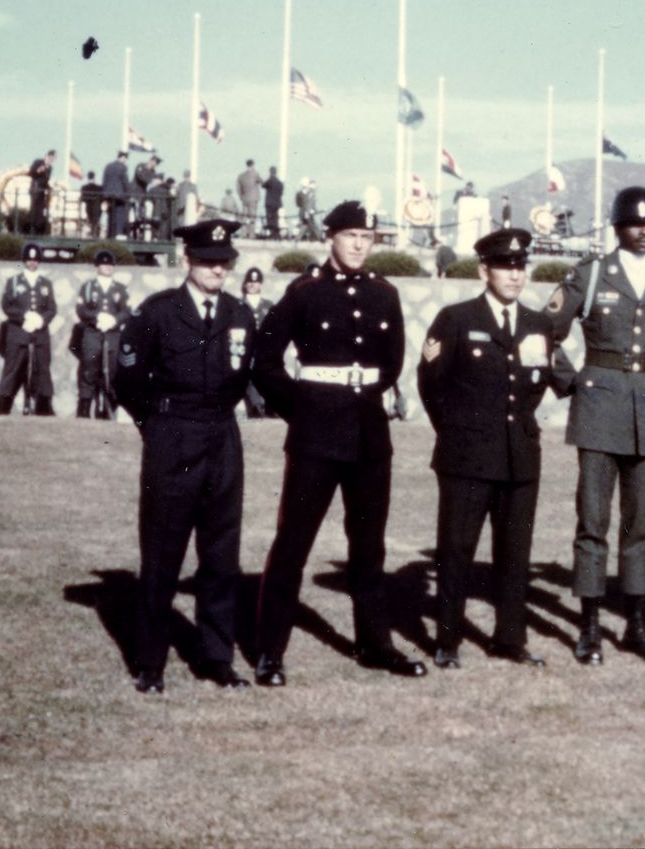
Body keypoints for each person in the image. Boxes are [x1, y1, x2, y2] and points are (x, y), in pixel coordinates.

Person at [252, 200, 425, 683]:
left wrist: (364, 392)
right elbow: (264, 359)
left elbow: (391, 363)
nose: (357, 245)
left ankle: (374, 644)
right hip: (316, 435)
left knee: (369, 548)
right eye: (349, 235)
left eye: (366, 238)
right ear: (330, 238)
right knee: (293, 543)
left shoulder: (384, 295)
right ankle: (270, 651)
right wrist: (299, 406)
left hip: (369, 436)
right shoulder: (305, 292)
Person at [544, 185, 645, 665]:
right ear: (617, 227)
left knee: (641, 526)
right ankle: (588, 628)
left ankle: (637, 626)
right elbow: (544, 335)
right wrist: (574, 383)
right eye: (635, 224)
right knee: (593, 523)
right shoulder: (589, 276)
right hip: (598, 411)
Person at [114, 219, 256, 694]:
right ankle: (150, 662)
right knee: (162, 553)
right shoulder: (158, 312)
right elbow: (129, 383)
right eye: (208, 261)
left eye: (224, 262)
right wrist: (158, 429)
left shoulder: (239, 314)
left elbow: (243, 376)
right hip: (173, 436)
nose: (218, 269)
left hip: (223, 437)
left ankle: (216, 658)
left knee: (221, 555)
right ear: (186, 261)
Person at [417, 229, 565, 669]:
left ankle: (509, 638)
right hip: (466, 456)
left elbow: (536, 385)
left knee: (515, 554)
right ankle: (447, 640)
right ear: (485, 270)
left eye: (521, 267)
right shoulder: (456, 319)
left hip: (519, 455)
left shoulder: (538, 324)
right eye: (505, 267)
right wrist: (460, 432)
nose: (515, 276)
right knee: (456, 549)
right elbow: (432, 386)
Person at [0, 242, 57, 416]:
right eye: (29, 259)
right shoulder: (13, 282)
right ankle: (2, 410)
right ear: (24, 261)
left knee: (42, 372)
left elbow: (52, 308)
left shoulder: (45, 283)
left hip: (39, 336)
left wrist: (41, 320)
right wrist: (24, 318)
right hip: (18, 335)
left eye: (36, 259)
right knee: (12, 372)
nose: (32, 262)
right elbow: (6, 306)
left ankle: (44, 410)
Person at [74, 248, 130, 419]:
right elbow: (81, 309)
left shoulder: (120, 288)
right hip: (93, 334)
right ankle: (84, 409)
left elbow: (127, 310)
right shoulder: (89, 287)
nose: (107, 267)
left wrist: (114, 320)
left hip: (113, 335)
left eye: (110, 264)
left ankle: (108, 409)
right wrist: (97, 317)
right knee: (89, 371)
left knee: (112, 371)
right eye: (103, 264)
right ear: (97, 266)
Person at [239, 267, 274, 419]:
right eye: (250, 282)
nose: (253, 285)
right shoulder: (238, 304)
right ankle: (255, 406)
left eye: (256, 282)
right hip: (244, 347)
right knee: (248, 374)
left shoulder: (268, 305)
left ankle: (271, 406)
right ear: (245, 284)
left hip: (264, 348)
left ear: (261, 284)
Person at [102, 151, 131, 238]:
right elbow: (125, 182)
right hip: (119, 195)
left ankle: (110, 233)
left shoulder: (108, 166)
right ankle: (118, 233)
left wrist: (104, 194)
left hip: (108, 194)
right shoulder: (122, 167)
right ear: (123, 158)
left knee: (110, 214)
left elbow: (104, 180)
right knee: (119, 214)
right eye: (125, 158)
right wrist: (128, 194)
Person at [27, 150, 56, 235]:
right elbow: (31, 173)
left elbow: (46, 179)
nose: (52, 160)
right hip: (35, 188)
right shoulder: (38, 162)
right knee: (34, 209)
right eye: (52, 158)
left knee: (40, 210)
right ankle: (30, 228)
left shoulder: (50, 167)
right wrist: (40, 169)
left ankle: (38, 228)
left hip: (43, 191)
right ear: (48, 156)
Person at [237, 160, 262, 233]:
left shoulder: (241, 176)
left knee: (244, 217)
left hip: (244, 199)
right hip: (253, 199)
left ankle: (244, 233)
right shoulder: (255, 174)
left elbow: (238, 188)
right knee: (252, 217)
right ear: (253, 165)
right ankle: (251, 234)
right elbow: (262, 182)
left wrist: (241, 196)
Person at [262, 166, 285, 239]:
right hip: (277, 203)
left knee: (270, 218)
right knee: (275, 218)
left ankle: (272, 233)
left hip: (270, 203)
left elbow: (263, 185)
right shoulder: (280, 182)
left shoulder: (270, 180)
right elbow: (281, 193)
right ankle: (276, 233)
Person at [80, 171, 104, 238]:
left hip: (89, 208)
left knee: (91, 220)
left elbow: (83, 198)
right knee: (96, 221)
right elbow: (102, 198)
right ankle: (95, 232)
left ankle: (92, 231)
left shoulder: (84, 187)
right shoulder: (99, 188)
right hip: (97, 208)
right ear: (94, 177)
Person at [295, 177, 319, 241]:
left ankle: (297, 239)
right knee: (313, 227)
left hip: (306, 213)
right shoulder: (310, 193)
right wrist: (308, 212)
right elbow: (308, 204)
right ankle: (318, 239)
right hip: (308, 213)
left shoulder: (309, 193)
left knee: (305, 226)